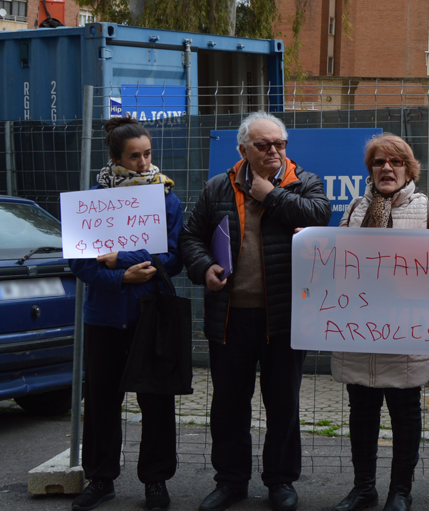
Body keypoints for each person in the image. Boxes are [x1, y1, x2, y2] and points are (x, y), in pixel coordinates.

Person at [180, 112, 331, 511]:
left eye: (280, 144)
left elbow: (318, 214)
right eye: (264, 146)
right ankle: (231, 481)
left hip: (283, 318)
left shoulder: (304, 181)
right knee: (229, 404)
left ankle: (280, 482)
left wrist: (269, 194)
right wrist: (202, 267)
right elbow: (191, 238)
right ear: (243, 149)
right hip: (230, 316)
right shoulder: (218, 188)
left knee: (283, 404)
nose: (274, 152)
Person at [331, 133, 429, 511]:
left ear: (408, 169)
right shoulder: (354, 208)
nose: (387, 168)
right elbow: (335, 262)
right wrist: (312, 246)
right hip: (360, 332)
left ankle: (400, 491)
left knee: (405, 415)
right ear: (370, 169)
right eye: (379, 162)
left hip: (404, 334)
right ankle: (363, 488)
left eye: (395, 162)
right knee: (362, 413)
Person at [69, 117, 184, 511]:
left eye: (147, 154)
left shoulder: (166, 198)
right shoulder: (91, 202)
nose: (143, 162)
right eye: (134, 156)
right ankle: (100, 479)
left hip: (149, 318)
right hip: (104, 317)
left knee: (156, 402)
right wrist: (122, 278)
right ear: (115, 159)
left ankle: (156, 481)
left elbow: (171, 255)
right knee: (101, 401)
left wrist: (123, 258)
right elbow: (81, 264)